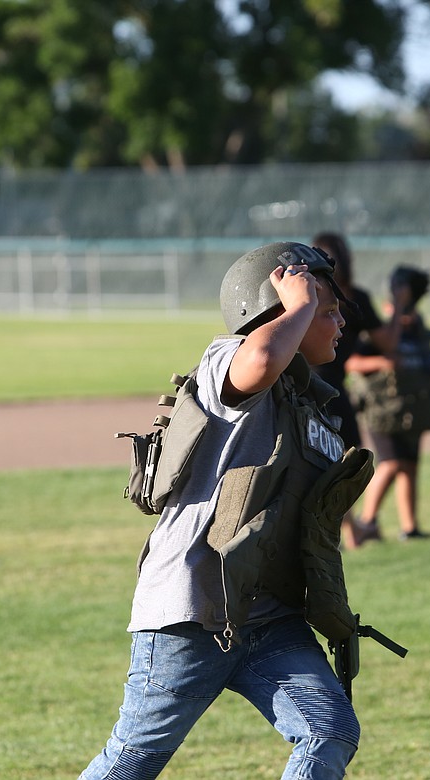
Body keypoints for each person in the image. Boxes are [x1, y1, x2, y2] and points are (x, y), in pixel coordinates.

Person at [79, 242, 367, 780]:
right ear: (278, 309)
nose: (339, 321)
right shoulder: (225, 363)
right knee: (132, 761)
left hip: (267, 615)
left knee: (329, 730)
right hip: (192, 612)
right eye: (326, 309)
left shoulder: (307, 402)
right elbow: (258, 361)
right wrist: (299, 307)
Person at [346, 266, 430, 541]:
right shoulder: (379, 329)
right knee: (391, 463)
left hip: (411, 407)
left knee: (410, 466)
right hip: (382, 408)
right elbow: (351, 362)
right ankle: (367, 523)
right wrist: (381, 362)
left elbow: (423, 359)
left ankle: (410, 527)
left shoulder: (417, 327)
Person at [309, 231, 394, 549]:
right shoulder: (336, 297)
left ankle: (348, 529)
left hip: (329, 389)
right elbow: (388, 342)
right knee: (335, 462)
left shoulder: (312, 296)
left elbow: (386, 343)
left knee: (343, 462)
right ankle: (347, 530)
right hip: (320, 389)